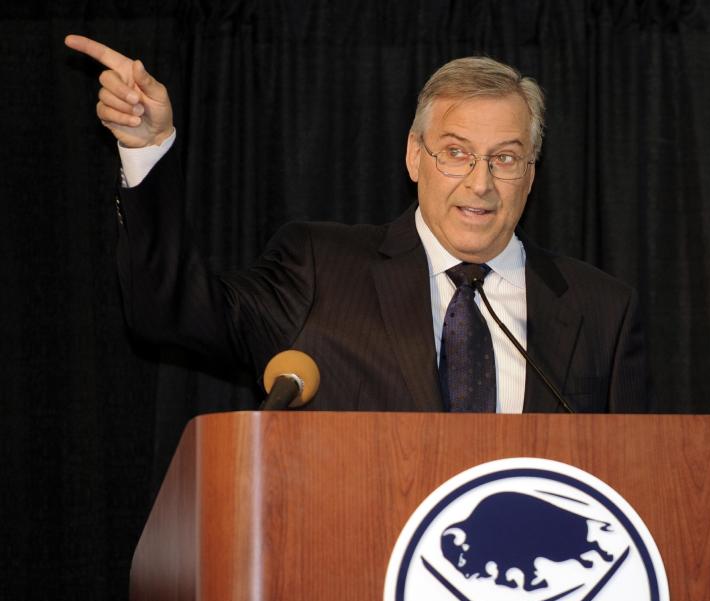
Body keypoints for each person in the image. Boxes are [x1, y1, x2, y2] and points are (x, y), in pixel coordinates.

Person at [65, 35, 648, 413]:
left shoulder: (601, 309)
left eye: (504, 157)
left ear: (531, 171)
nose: (481, 183)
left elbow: (637, 484)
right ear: (415, 157)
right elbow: (169, 313)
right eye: (456, 152)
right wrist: (147, 149)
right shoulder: (321, 268)